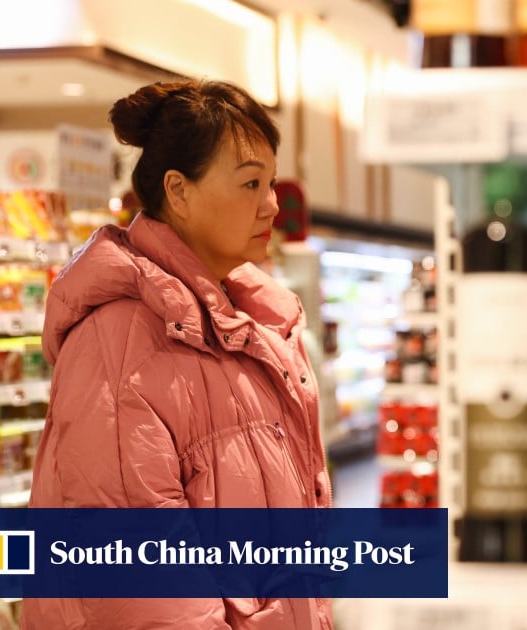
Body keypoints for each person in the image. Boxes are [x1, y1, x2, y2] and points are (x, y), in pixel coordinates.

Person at [22, 80, 333, 630]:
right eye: (250, 183)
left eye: (271, 182)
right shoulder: (121, 341)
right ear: (178, 190)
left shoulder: (249, 329)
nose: (271, 204)